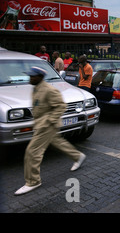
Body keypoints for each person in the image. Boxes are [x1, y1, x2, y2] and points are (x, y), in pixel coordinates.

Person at [14, 67, 86, 196]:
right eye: (30, 76)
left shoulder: (49, 90)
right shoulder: (36, 88)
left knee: (32, 152)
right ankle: (78, 156)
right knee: (58, 142)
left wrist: (48, 121)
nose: (30, 78)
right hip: (41, 124)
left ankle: (33, 181)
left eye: (33, 76)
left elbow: (61, 106)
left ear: (40, 77)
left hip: (46, 126)